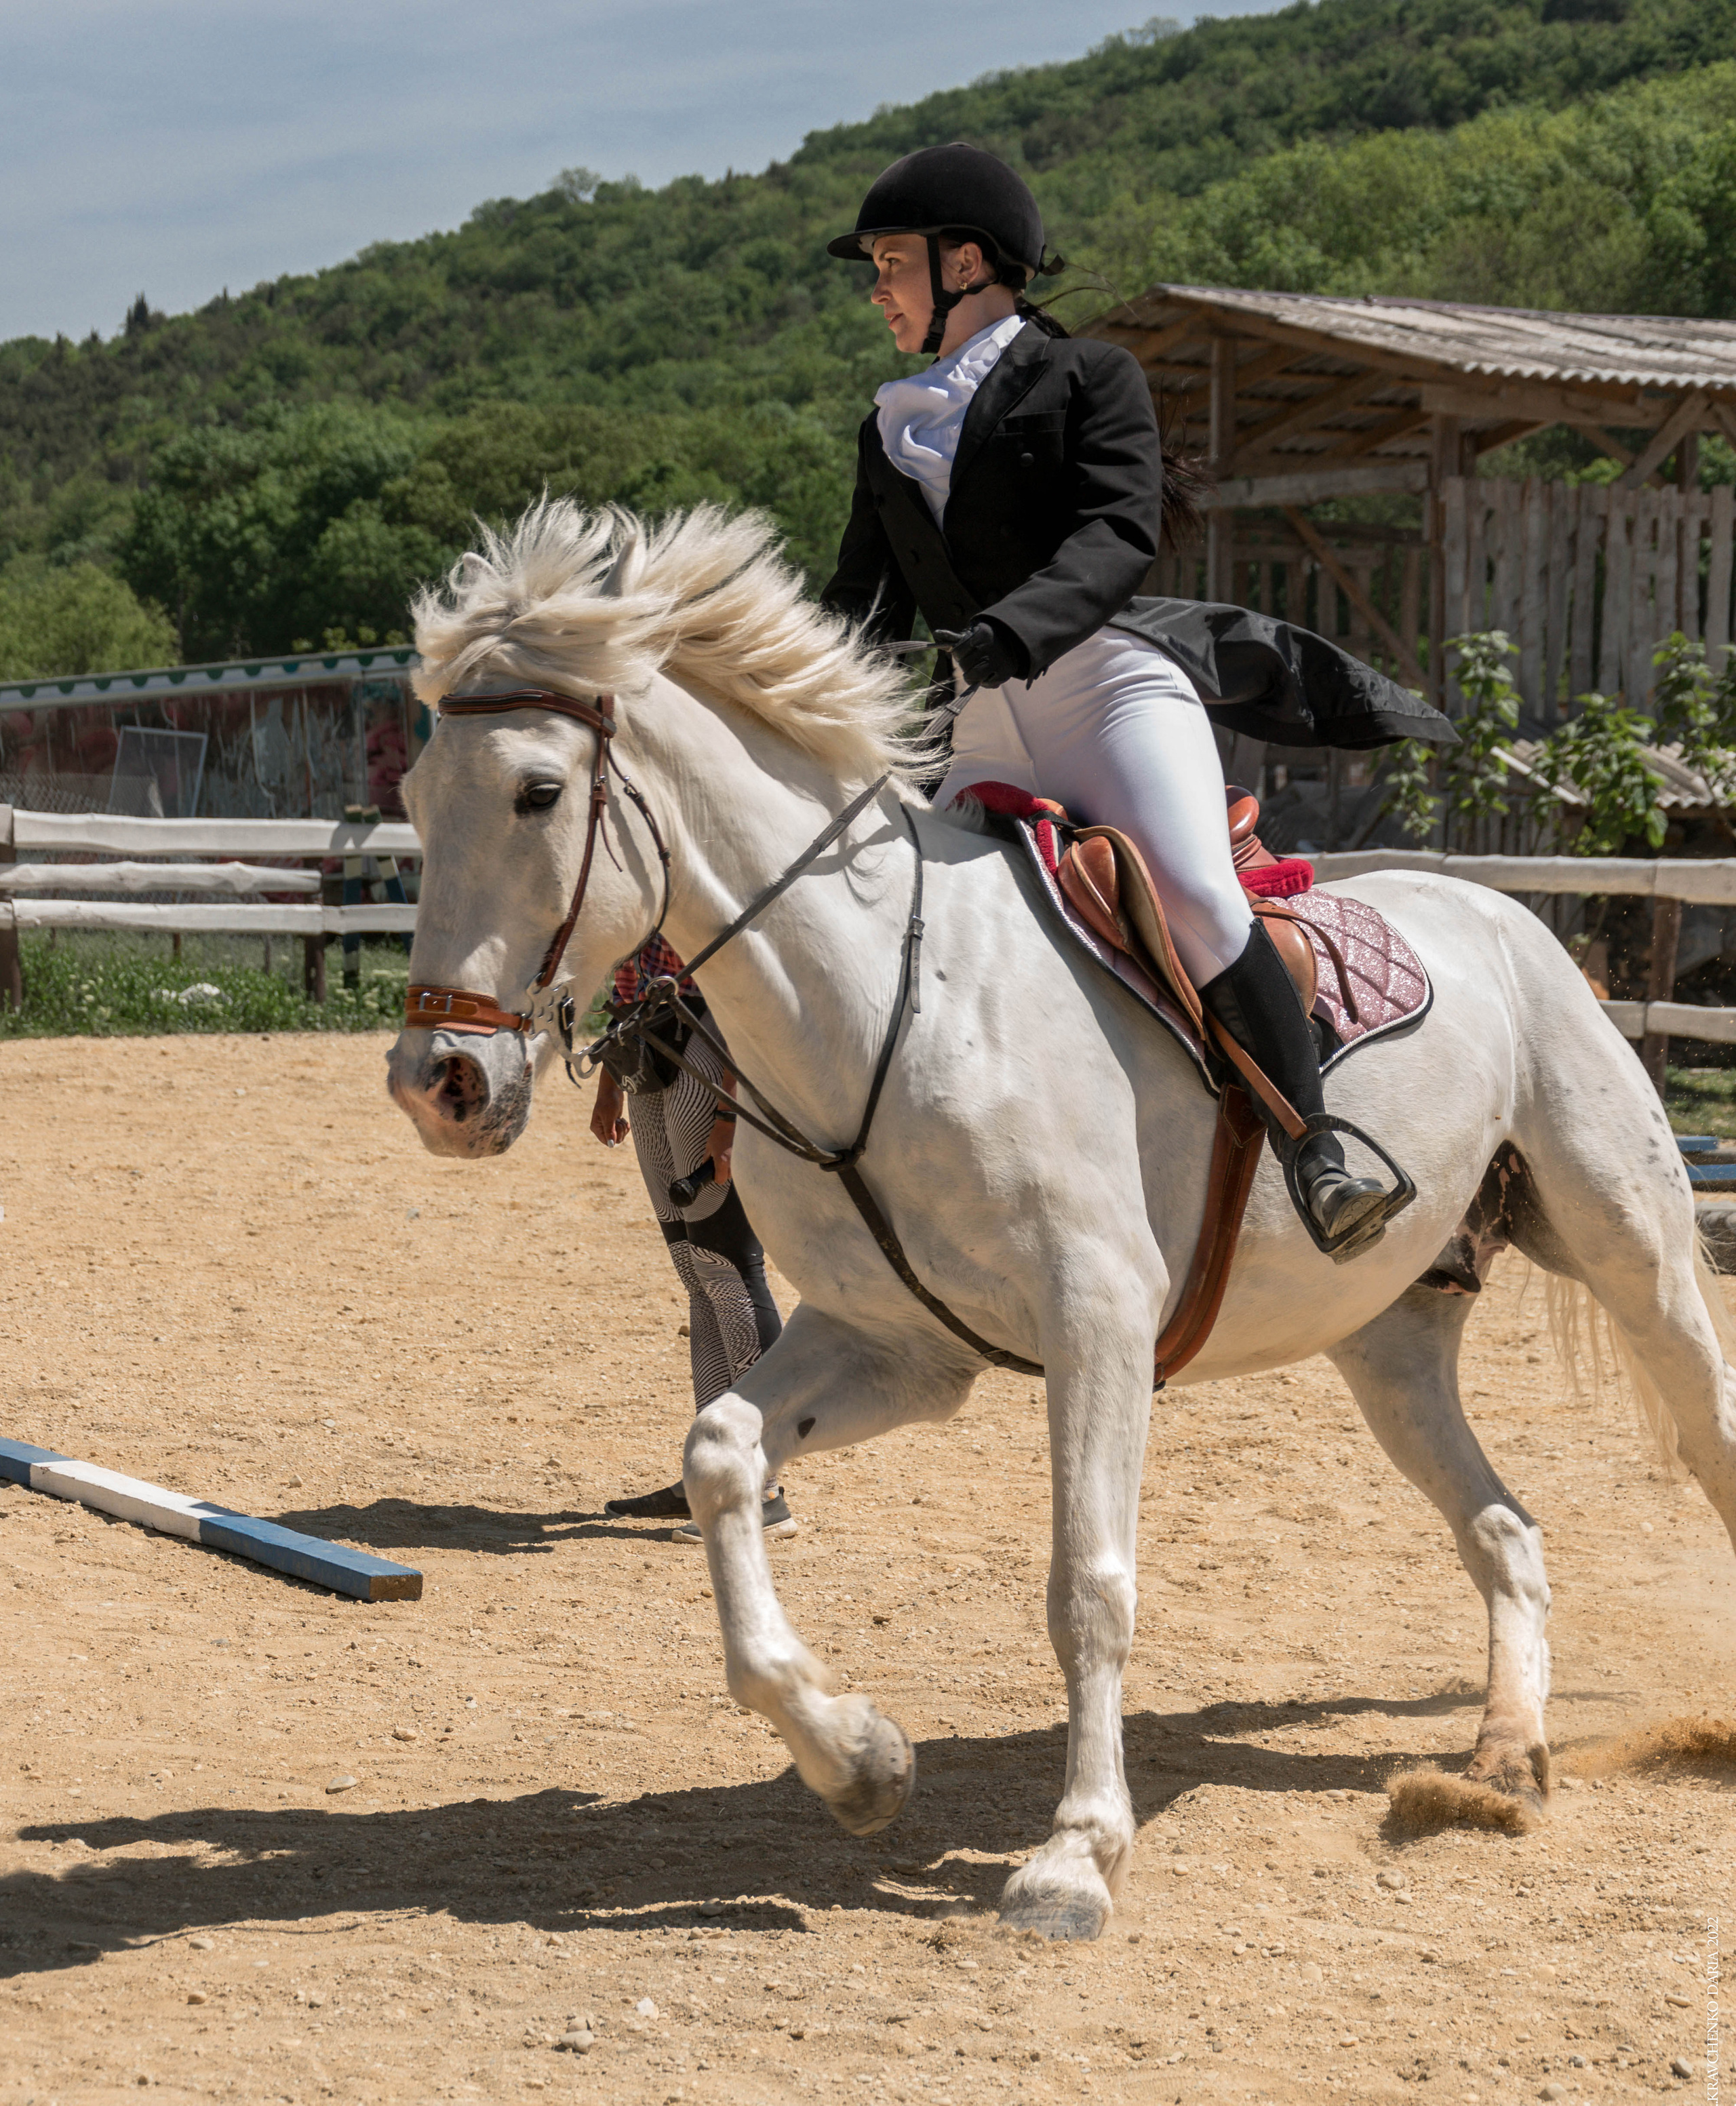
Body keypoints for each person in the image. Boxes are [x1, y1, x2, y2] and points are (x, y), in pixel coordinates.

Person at [820, 141, 1427, 1257]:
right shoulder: (886, 427)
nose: (878, 289)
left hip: (1100, 688)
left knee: (1192, 893)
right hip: (979, 721)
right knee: (900, 923)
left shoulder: (1089, 377)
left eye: (891, 263)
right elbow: (862, 599)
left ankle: (1320, 1150)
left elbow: (1117, 533)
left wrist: (1012, 631)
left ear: (966, 262)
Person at [593, 936, 794, 1539]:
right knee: (698, 1272)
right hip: (643, 1042)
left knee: (728, 1267)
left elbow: (741, 979)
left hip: (708, 1037)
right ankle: (712, 1471)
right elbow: (621, 970)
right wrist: (610, 1078)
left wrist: (730, 1112)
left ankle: (763, 1484)